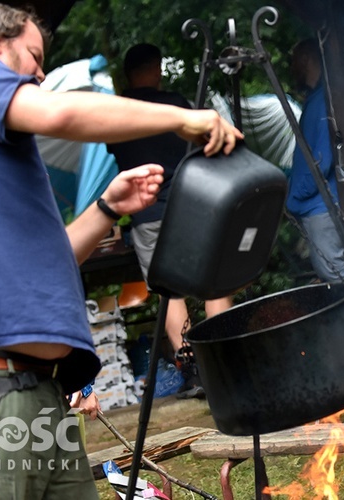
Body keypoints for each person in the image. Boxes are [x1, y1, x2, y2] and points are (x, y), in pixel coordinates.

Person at [0, 2, 242, 499]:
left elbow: (49, 262)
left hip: (38, 393)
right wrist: (183, 118)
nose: (39, 72)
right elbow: (63, 111)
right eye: (32, 55)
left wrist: (105, 207)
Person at [106, 43, 231, 399]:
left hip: (147, 212)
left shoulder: (118, 111)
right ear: (156, 68)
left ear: (127, 74)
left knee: (168, 291)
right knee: (214, 281)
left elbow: (115, 150)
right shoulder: (177, 105)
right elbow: (208, 146)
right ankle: (224, 360)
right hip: (190, 205)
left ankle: (194, 370)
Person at [287, 37, 344, 283]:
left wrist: (297, 194)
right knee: (330, 273)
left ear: (306, 60)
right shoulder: (315, 100)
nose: (292, 68)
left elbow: (322, 160)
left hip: (320, 205)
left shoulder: (324, 101)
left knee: (337, 276)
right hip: (315, 205)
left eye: (295, 62)